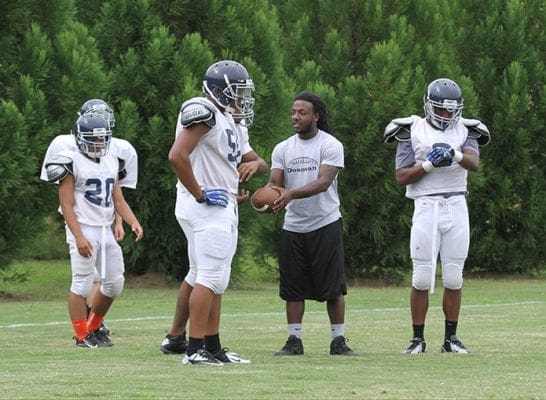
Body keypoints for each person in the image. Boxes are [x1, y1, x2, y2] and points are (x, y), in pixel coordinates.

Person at [167, 60, 267, 365]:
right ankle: (194, 348)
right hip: (206, 205)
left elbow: (257, 162)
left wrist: (251, 167)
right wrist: (200, 192)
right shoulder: (204, 111)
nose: (243, 99)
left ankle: (212, 346)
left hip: (220, 203)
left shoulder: (231, 121)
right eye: (238, 93)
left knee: (215, 277)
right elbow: (177, 155)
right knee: (209, 276)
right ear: (220, 91)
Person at [384, 78, 490, 354]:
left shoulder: (467, 129)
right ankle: (417, 338)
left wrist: (454, 154)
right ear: (429, 106)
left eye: (451, 110)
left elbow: (474, 162)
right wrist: (429, 165)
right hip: (426, 204)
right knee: (421, 277)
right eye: (441, 109)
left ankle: (451, 338)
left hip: (456, 203)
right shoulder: (411, 129)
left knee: (454, 277)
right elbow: (401, 176)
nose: (446, 115)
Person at [266, 91, 356, 356]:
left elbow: (323, 182)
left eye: (302, 112)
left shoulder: (330, 145)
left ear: (316, 116)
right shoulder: (283, 148)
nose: (296, 116)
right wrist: (267, 199)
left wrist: (290, 194)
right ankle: (294, 341)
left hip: (325, 222)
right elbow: (275, 183)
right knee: (293, 288)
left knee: (333, 287)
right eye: (293, 112)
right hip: (293, 226)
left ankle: (338, 341)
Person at [40, 98, 138, 336]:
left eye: (102, 138)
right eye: (93, 138)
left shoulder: (112, 158)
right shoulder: (69, 159)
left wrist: (130, 220)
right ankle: (82, 334)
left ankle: (94, 326)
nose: (98, 143)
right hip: (84, 226)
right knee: (82, 282)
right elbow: (66, 205)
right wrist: (78, 235)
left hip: (105, 226)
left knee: (114, 283)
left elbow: (118, 198)